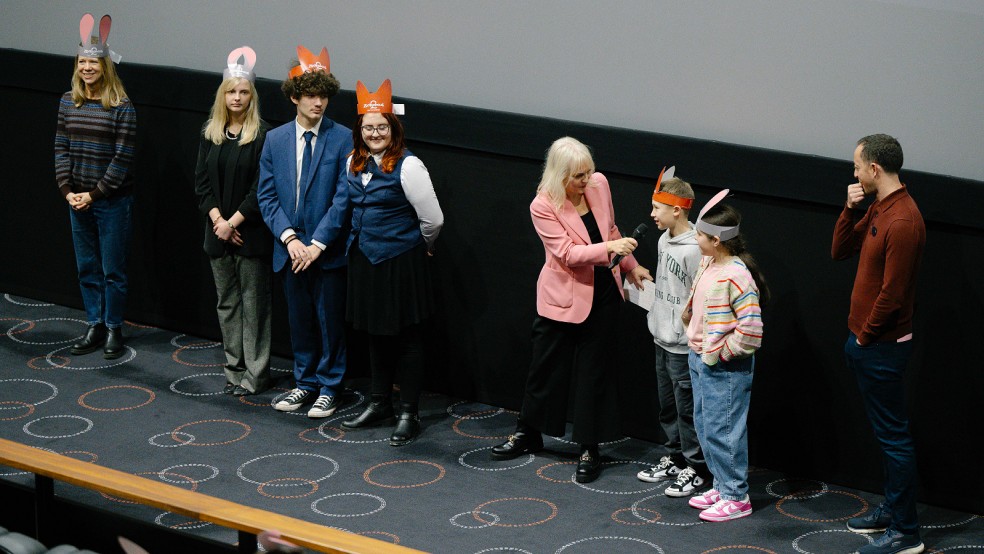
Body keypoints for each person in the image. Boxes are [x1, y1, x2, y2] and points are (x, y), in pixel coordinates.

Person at [490, 137, 651, 483]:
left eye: (588, 172)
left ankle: (589, 447)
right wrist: (609, 248)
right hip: (562, 297)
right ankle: (527, 432)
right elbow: (566, 254)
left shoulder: (599, 184)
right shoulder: (542, 205)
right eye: (578, 176)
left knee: (594, 373)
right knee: (544, 369)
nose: (586, 180)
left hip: (603, 294)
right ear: (560, 175)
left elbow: (610, 228)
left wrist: (631, 265)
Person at [833, 134, 925, 554]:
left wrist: (864, 338)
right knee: (889, 437)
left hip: (881, 347)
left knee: (894, 439)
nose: (853, 173)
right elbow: (839, 251)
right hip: (870, 344)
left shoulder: (902, 220)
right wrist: (850, 207)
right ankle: (892, 511)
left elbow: (893, 293)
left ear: (874, 169)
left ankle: (906, 533)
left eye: (857, 166)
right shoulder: (878, 207)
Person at [339, 80, 444, 446]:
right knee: (374, 334)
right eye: (368, 128)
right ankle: (379, 402)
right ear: (360, 130)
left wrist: (423, 247)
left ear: (393, 128)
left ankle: (408, 413)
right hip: (365, 260)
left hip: (401, 262)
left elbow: (433, 219)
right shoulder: (353, 161)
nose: (375, 133)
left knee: (408, 338)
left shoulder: (409, 165)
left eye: (381, 127)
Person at [257, 46, 352, 418]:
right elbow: (267, 196)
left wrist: (316, 244)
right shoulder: (276, 139)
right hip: (290, 250)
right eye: (311, 95)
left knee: (329, 321)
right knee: (299, 321)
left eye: (324, 95)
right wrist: (290, 239)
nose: (319, 102)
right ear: (294, 96)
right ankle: (305, 382)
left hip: (326, 251)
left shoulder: (343, 137)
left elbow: (344, 197)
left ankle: (330, 386)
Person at [682, 190, 767, 522]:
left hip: (724, 366)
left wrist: (720, 354)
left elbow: (751, 331)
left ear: (717, 240)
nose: (695, 237)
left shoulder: (737, 275)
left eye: (700, 234)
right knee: (705, 425)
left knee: (724, 428)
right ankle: (721, 483)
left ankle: (736, 495)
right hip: (699, 358)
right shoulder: (708, 262)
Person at [56, 14, 137, 360]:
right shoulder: (67, 102)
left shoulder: (121, 107)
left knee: (112, 270)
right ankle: (94, 323)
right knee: (87, 267)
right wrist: (68, 191)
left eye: (93, 62)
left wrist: (94, 194)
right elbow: (60, 147)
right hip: (78, 200)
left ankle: (114, 327)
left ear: (105, 66)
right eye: (83, 62)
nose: (87, 68)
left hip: (111, 202)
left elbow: (122, 160)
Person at [194, 47, 273, 396]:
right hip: (218, 235)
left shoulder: (263, 135)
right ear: (222, 96)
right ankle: (233, 370)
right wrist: (218, 222)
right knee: (227, 303)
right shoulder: (210, 132)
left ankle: (255, 376)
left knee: (254, 306)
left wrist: (234, 222)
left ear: (251, 96)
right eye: (231, 91)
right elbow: (201, 183)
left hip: (250, 235)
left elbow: (262, 189)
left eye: (243, 91)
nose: (236, 97)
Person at [635, 169, 709, 498]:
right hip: (660, 339)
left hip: (682, 346)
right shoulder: (664, 239)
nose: (651, 214)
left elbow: (700, 294)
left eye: (657, 208)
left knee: (686, 409)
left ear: (676, 210)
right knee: (667, 407)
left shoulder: (695, 248)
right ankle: (677, 457)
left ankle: (696, 467)